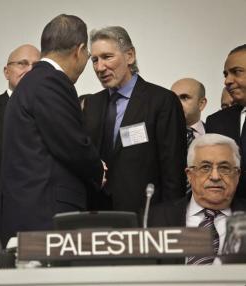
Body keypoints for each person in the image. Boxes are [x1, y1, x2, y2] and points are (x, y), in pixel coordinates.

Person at [0, 14, 104, 247]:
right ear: (80, 49)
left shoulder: (32, 82)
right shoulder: (51, 81)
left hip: (28, 212)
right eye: (88, 55)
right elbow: (71, 143)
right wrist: (99, 169)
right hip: (46, 216)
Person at [83, 26, 187, 213]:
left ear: (129, 55)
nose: (99, 67)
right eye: (94, 60)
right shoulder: (92, 104)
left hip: (145, 216)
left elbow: (173, 172)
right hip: (97, 215)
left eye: (107, 57)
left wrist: (171, 219)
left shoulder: (161, 101)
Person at [149, 133, 246, 264]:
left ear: (237, 175)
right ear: (190, 175)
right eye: (205, 167)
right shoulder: (154, 219)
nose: (215, 176)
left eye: (224, 168)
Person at [0, 44, 40, 196]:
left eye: (36, 66)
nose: (29, 70)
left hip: (41, 207)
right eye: (22, 63)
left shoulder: (54, 111)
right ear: (6, 72)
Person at [206, 44, 246, 199]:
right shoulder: (217, 121)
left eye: (236, 72)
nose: (227, 81)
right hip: (229, 216)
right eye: (225, 74)